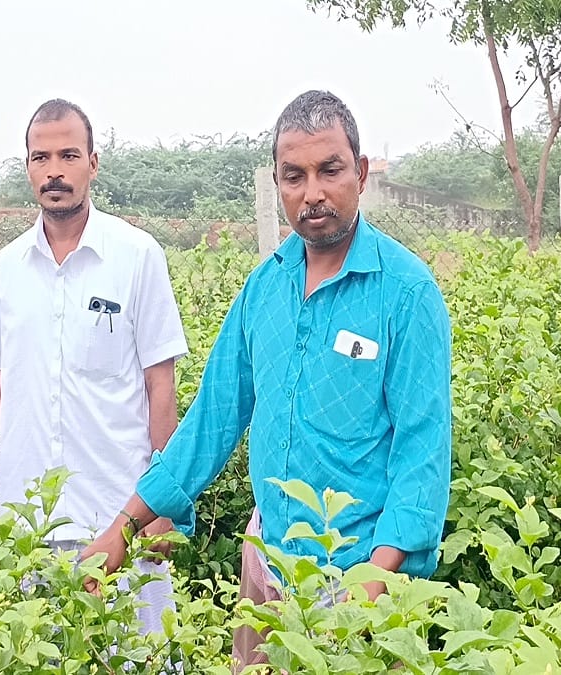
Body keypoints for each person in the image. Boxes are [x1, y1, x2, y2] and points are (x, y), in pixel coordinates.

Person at [78, 90, 453, 670]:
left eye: (329, 170)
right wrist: (123, 529)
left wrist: (377, 577)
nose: (313, 193)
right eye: (294, 176)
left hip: (359, 574)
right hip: (268, 558)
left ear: (361, 170)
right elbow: (212, 419)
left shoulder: (405, 292)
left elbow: (422, 449)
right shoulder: (265, 287)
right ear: (278, 183)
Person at [0, 98, 189, 636]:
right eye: (41, 158)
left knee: (138, 662)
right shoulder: (9, 268)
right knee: (35, 654)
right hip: (30, 526)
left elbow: (161, 386)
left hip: (120, 518)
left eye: (68, 155)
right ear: (27, 169)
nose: (55, 171)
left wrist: (160, 505)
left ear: (93, 162)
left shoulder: (136, 256)